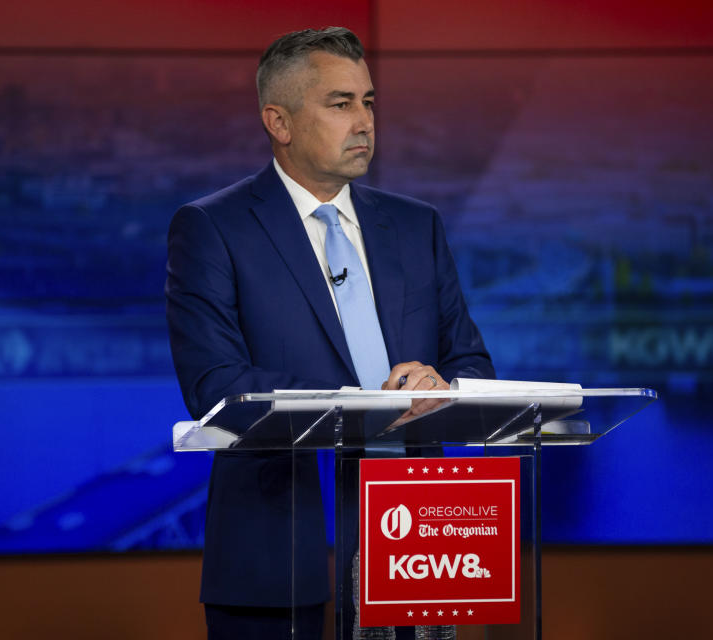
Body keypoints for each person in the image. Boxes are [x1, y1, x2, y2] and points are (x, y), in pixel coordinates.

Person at [165, 26, 494, 639]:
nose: (364, 121)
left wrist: (441, 383)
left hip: (419, 550)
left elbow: (472, 364)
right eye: (340, 104)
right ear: (279, 122)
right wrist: (371, 406)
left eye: (368, 102)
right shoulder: (213, 228)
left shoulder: (416, 226)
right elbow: (216, 386)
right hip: (279, 554)